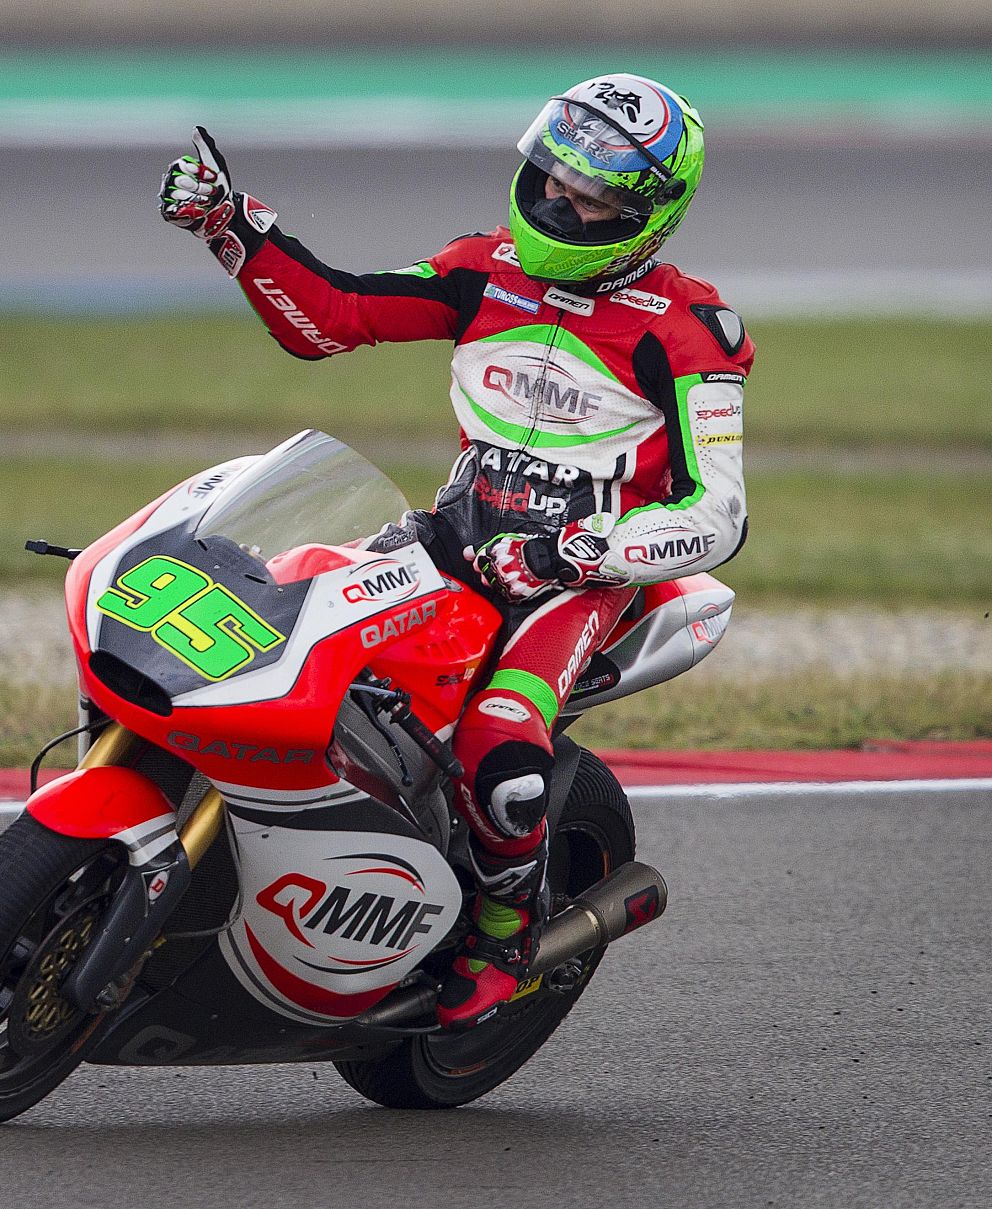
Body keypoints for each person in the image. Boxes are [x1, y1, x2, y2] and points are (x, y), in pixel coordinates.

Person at [158, 74, 753, 1028]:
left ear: (646, 216)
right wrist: (233, 229)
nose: (560, 202)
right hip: (453, 537)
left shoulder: (689, 334)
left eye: (592, 196)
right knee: (274, 616)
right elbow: (334, 316)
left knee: (502, 751)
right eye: (553, 178)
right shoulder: (486, 269)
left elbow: (720, 515)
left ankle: (504, 933)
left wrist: (577, 551)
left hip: (578, 581)